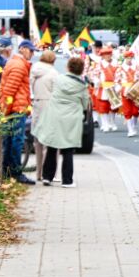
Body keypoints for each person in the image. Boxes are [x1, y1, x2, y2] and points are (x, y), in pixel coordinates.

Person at [32, 56, 91, 188]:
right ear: (81, 71)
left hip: (55, 115)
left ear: (68, 67)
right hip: (71, 119)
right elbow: (85, 103)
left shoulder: (58, 79)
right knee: (68, 149)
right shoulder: (82, 86)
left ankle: (47, 177)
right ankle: (67, 181)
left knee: (52, 145)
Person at [0, 41, 35, 183]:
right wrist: (6, 111)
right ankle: (16, 172)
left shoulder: (14, 63)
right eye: (31, 51)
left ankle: (7, 171)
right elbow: (9, 91)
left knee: (9, 140)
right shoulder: (19, 65)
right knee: (16, 141)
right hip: (16, 109)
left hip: (14, 109)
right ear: (23, 49)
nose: (32, 54)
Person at [29, 50, 59, 183]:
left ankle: (38, 174)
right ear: (53, 60)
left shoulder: (33, 70)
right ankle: (50, 174)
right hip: (50, 107)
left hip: (36, 105)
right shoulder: (53, 73)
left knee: (38, 142)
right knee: (50, 142)